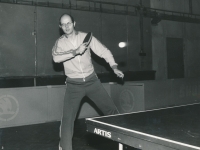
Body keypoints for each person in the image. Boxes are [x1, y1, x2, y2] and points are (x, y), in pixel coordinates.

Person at [52, 14, 124, 150]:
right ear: (60, 27)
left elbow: (104, 51)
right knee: (67, 120)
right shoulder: (60, 43)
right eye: (63, 24)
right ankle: (64, 147)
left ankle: (125, 141)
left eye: (69, 23)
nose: (66, 26)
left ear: (74, 23)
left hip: (92, 82)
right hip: (73, 85)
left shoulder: (86, 37)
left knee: (112, 111)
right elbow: (56, 58)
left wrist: (114, 67)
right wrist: (75, 52)